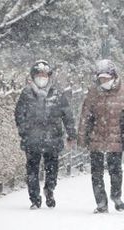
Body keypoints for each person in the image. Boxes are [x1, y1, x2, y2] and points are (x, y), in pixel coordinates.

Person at [15, 60, 76, 209]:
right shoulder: (26, 94)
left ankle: (49, 190)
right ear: (33, 76)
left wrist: (71, 134)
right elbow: (19, 114)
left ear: (49, 76)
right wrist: (24, 131)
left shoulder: (57, 94)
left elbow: (67, 115)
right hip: (32, 140)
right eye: (38, 75)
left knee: (52, 169)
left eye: (44, 75)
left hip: (52, 139)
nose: (42, 78)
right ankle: (35, 199)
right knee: (32, 170)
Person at [78, 59, 124, 213]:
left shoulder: (122, 92)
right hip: (96, 139)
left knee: (116, 171)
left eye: (106, 78)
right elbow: (85, 117)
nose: (103, 81)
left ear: (113, 76)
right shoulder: (93, 93)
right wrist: (83, 137)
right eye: (100, 78)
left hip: (116, 140)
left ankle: (116, 197)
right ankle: (101, 203)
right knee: (96, 173)